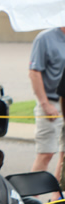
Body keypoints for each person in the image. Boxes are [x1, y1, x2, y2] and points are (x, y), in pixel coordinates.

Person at [28, 27, 65, 177]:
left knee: (64, 154)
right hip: (51, 103)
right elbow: (34, 73)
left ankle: (57, 197)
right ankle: (31, 197)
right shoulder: (44, 38)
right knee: (46, 153)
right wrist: (45, 104)